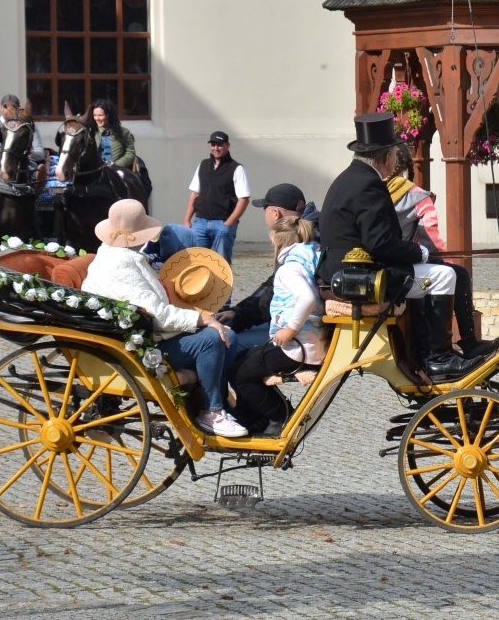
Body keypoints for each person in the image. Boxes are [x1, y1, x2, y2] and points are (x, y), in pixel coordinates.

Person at [320, 113, 475, 381]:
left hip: (355, 270)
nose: (395, 160)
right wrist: (419, 252)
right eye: (394, 153)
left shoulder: (349, 179)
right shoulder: (368, 185)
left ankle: (469, 343)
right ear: (384, 157)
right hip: (361, 277)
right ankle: (438, 358)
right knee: (444, 276)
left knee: (456, 274)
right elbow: (379, 243)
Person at [81, 199, 249, 437]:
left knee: (227, 334)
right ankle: (212, 411)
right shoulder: (121, 263)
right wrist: (202, 319)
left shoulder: (118, 254)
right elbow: (156, 313)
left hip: (142, 334)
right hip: (137, 347)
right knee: (213, 337)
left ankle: (215, 401)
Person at [386, 142, 499, 361]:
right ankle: (462, 344)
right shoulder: (417, 196)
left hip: (390, 264)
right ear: (407, 167)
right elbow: (430, 238)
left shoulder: (377, 191)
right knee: (458, 274)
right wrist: (447, 263)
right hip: (403, 265)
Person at [230, 215, 327, 435]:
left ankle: (281, 416)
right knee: (242, 359)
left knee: (239, 374)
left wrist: (290, 329)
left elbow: (307, 299)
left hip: (297, 347)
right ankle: (251, 416)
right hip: (309, 341)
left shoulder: (289, 269)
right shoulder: (309, 259)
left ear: (279, 243)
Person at [221, 182, 321, 355]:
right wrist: (237, 311)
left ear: (275, 213)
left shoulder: (296, 242)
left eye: (264, 210)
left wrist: (239, 318)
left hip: (303, 336)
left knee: (230, 345)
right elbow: (271, 285)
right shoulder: (311, 233)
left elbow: (271, 295)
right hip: (311, 328)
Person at [184, 130, 250, 262]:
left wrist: (229, 223)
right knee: (196, 262)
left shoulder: (236, 169)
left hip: (222, 223)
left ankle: (224, 284)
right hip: (200, 221)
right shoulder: (203, 165)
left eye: (220, 145)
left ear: (227, 145)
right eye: (213, 145)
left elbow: (244, 199)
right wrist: (187, 220)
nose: (216, 148)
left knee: (222, 264)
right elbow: (195, 193)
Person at [0, 94, 45, 175]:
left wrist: (23, 155)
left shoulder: (28, 126)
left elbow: (40, 153)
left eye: (13, 107)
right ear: (0, 108)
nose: (8, 110)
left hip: (23, 167)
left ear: (18, 109)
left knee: (33, 171)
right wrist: (8, 156)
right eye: (5, 106)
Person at [89, 99, 137, 168]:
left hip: (117, 170)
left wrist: (116, 165)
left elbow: (130, 153)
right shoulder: (90, 133)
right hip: (96, 170)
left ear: (108, 115)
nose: (97, 118)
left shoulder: (124, 133)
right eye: (95, 115)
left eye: (100, 115)